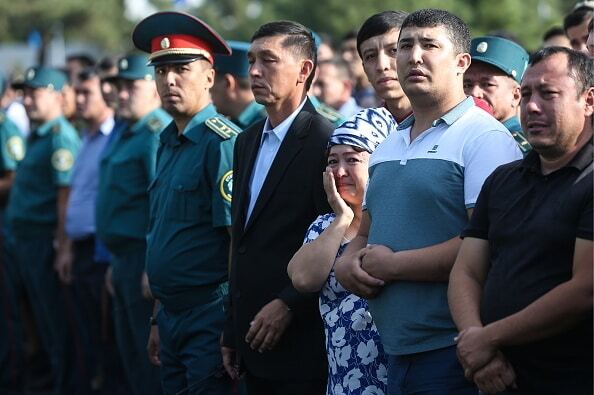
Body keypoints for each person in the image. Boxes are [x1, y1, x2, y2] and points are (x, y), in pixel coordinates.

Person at [334, 9, 522, 395]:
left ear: (461, 63)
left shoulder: (484, 138)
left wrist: (395, 266)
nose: (413, 56)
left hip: (454, 352)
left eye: (429, 45)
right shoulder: (387, 145)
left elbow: (489, 244)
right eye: (405, 46)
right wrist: (349, 261)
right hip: (392, 352)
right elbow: (366, 232)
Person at [448, 46, 593, 394]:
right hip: (496, 375)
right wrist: (479, 349)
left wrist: (489, 338)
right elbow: (466, 271)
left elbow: (586, 289)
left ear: (589, 101)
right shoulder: (503, 180)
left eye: (548, 94)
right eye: (526, 93)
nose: (531, 106)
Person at [221, 20, 334, 395]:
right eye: (252, 60)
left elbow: (335, 237)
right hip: (250, 334)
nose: (253, 70)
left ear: (305, 70)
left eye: (268, 60)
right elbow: (243, 238)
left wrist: (288, 304)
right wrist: (231, 327)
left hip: (300, 340)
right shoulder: (247, 140)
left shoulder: (325, 140)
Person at [132, 11, 241, 394]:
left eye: (180, 69)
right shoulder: (167, 140)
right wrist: (158, 319)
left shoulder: (221, 142)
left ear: (210, 76)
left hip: (209, 314)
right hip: (172, 314)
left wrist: (229, 324)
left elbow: (236, 239)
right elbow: (165, 232)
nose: (169, 80)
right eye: (161, 72)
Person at [288, 107, 395, 395]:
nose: (340, 171)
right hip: (343, 381)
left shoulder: (398, 219)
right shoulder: (325, 225)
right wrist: (343, 219)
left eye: (352, 160)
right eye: (333, 161)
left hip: (393, 376)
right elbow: (302, 279)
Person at [4, 66, 81, 394]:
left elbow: (65, 195)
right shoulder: (38, 134)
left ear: (57, 95)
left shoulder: (59, 135)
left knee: (53, 322)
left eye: (35, 92)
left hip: (41, 239)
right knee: (34, 319)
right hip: (22, 239)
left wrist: (62, 245)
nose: (27, 99)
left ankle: (60, 384)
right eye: (25, 93)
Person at [97, 54, 169, 395]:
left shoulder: (154, 133)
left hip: (143, 257)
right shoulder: (128, 131)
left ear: (153, 89)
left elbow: (160, 205)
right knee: (130, 358)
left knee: (148, 361)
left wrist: (149, 263)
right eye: (119, 86)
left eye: (132, 86)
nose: (122, 94)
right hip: (123, 258)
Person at [464, 36, 531, 154]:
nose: (474, 93)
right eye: (467, 85)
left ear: (515, 96)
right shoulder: (460, 138)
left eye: (487, 84)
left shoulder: (517, 150)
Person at [212, 40, 266, 129]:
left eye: (212, 83)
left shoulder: (267, 124)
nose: (207, 90)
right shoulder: (265, 120)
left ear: (228, 83)